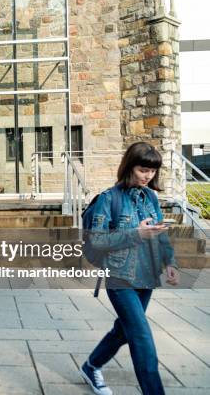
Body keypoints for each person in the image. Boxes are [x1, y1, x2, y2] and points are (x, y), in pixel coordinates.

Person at [81, 142, 179, 395]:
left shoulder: (150, 197)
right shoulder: (108, 199)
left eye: (152, 171)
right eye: (143, 169)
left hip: (147, 276)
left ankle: (91, 366)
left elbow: (160, 233)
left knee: (124, 330)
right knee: (141, 336)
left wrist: (170, 262)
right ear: (129, 167)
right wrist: (135, 233)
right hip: (120, 277)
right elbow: (97, 240)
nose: (148, 176)